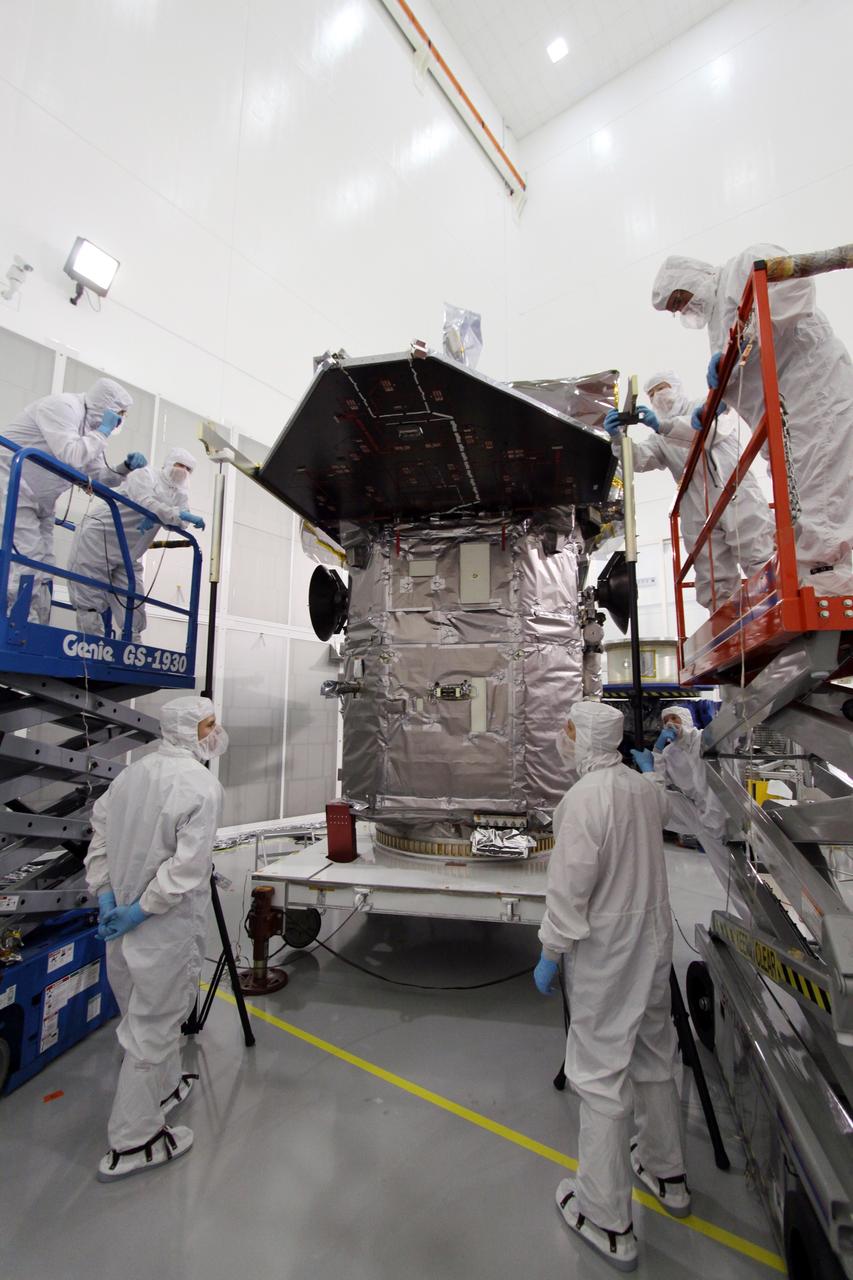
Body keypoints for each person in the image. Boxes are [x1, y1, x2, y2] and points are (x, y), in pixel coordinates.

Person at [538, 701, 689, 1272]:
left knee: (599, 1074)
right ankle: (666, 1172)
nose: (563, 739)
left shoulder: (581, 802)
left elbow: (570, 891)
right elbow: (679, 812)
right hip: (653, 945)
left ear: (584, 741)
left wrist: (551, 950)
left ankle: (607, 1216)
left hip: (606, 954)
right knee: (655, 1052)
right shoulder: (640, 789)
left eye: (568, 731)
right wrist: (660, 769)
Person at [651, 244, 853, 597]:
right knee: (802, 500)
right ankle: (816, 578)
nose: (682, 309)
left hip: (813, 395)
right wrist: (713, 405)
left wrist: (744, 343)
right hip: (781, 425)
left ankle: (832, 584)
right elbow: (738, 380)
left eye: (679, 298)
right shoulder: (716, 326)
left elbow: (794, 289)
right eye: (675, 309)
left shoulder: (741, 267)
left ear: (690, 277)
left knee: (823, 489)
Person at [84, 695, 228, 1182]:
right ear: (189, 730)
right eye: (210, 725)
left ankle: (165, 1089)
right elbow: (186, 871)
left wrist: (106, 898)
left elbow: (99, 838)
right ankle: (134, 1139)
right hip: (161, 928)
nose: (216, 732)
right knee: (154, 1026)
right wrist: (140, 910)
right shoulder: (200, 786)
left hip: (119, 926)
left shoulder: (131, 774)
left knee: (140, 1013)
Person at [604, 371, 775, 611]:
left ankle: (774, 607)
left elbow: (708, 434)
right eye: (651, 394)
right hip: (696, 508)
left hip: (734, 491)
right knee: (713, 574)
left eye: (661, 388)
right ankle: (726, 624)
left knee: (757, 551)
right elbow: (639, 459)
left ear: (676, 386)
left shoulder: (706, 406)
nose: (656, 397)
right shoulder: (660, 438)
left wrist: (663, 425)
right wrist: (616, 438)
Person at [0, 378, 145, 623]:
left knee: (45, 564)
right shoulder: (63, 407)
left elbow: (99, 475)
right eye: (119, 413)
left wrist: (125, 467)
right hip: (12, 486)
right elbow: (72, 455)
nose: (121, 419)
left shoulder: (90, 431)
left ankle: (36, 625)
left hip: (41, 502)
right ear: (105, 406)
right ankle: (19, 627)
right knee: (26, 560)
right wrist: (102, 432)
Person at [68, 447, 204, 639]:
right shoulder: (144, 474)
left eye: (188, 469)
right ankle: (90, 653)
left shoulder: (180, 494)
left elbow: (184, 522)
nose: (183, 471)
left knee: (133, 606)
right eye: (179, 465)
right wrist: (171, 514)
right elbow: (146, 502)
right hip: (98, 539)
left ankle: (132, 654)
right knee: (89, 601)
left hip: (129, 552)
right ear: (168, 463)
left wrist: (174, 515)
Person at [652, 705, 748, 919]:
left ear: (685, 719)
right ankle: (753, 920)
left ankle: (755, 919)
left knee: (735, 873)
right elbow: (657, 784)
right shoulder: (670, 753)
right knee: (655, 799)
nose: (669, 724)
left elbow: (736, 737)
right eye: (665, 720)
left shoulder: (707, 738)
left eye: (674, 718)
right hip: (700, 814)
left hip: (725, 813)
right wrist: (657, 752)